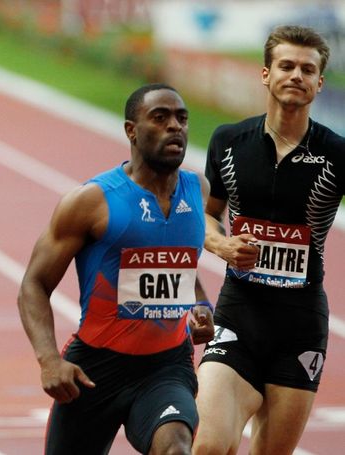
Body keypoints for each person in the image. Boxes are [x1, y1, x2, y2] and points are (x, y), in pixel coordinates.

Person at [17, 83, 215, 455]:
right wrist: (48, 361)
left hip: (167, 367)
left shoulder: (197, 189)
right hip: (94, 371)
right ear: (131, 131)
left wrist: (202, 307)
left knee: (176, 448)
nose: (175, 127)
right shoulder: (91, 201)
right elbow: (34, 284)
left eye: (182, 118)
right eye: (160, 118)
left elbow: (178, 262)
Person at [193, 25, 345, 455]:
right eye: (286, 65)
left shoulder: (337, 153)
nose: (296, 75)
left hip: (300, 326)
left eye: (307, 69)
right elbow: (208, 214)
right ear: (266, 74)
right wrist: (220, 245)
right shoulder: (229, 141)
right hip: (239, 313)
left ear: (320, 82)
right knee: (207, 445)